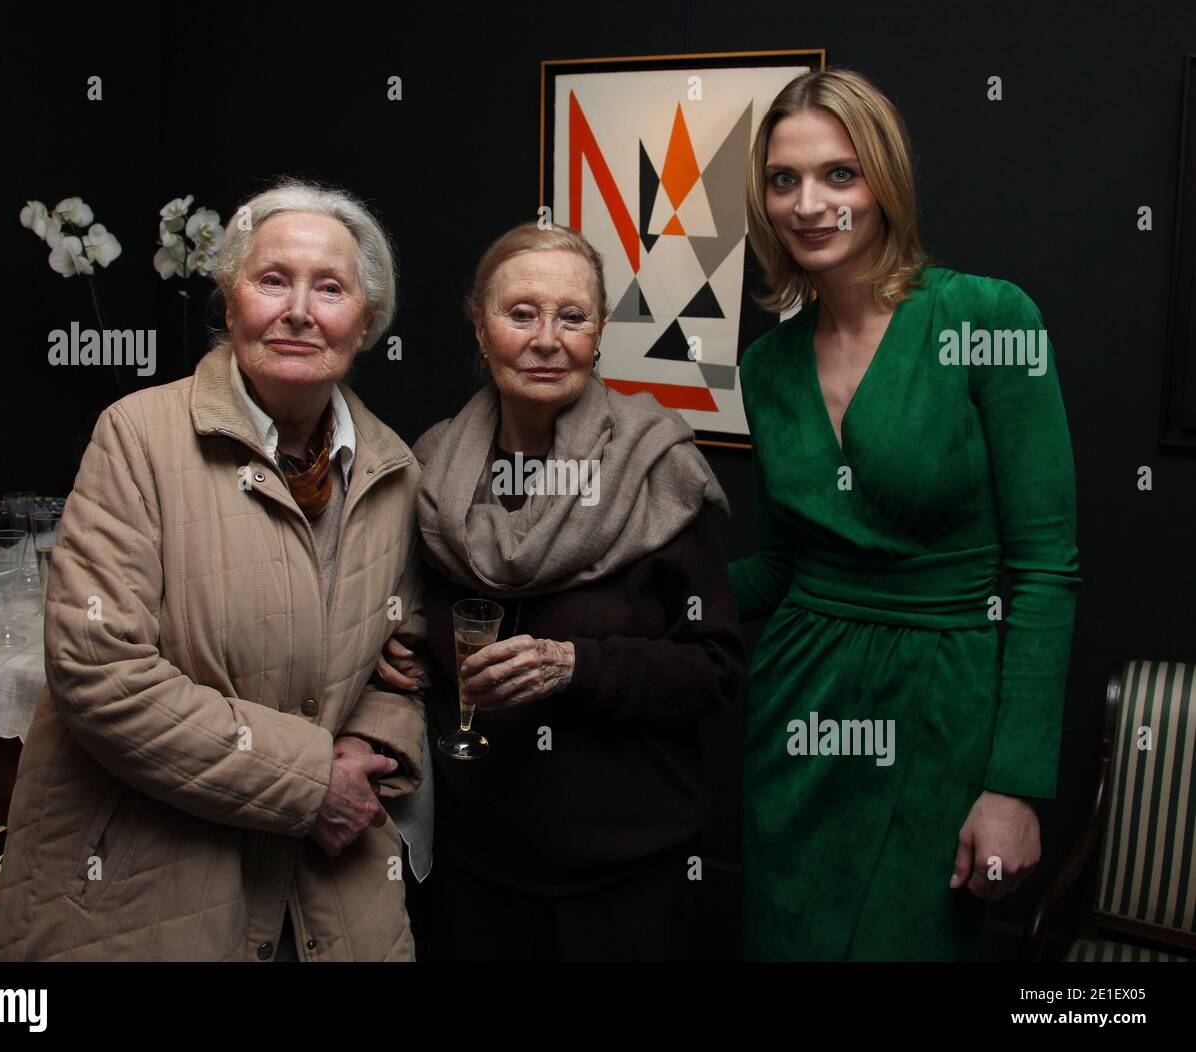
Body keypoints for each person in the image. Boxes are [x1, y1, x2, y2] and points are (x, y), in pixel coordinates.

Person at [0, 178, 427, 961]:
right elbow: (101, 670)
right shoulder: (137, 438)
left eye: (329, 288)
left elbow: (401, 664)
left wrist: (372, 756)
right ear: (229, 305)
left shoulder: (393, 473)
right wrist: (308, 782)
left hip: (330, 899)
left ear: (365, 324)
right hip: (146, 897)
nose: (298, 309)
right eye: (271, 280)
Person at [730, 68, 1080, 960]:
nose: (810, 203)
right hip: (798, 709)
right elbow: (778, 565)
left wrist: (1014, 786)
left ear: (885, 181)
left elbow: (1045, 569)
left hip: (943, 709)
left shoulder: (989, 317)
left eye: (839, 174)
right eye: (784, 179)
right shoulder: (768, 366)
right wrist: (602, 591)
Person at [378, 222, 744, 961]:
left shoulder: (658, 472)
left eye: (572, 316)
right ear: (479, 327)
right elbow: (416, 626)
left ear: (599, 331)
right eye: (521, 314)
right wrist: (406, 658)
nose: (547, 338)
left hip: (626, 876)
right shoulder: (430, 471)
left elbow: (716, 668)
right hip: (475, 868)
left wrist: (577, 667)